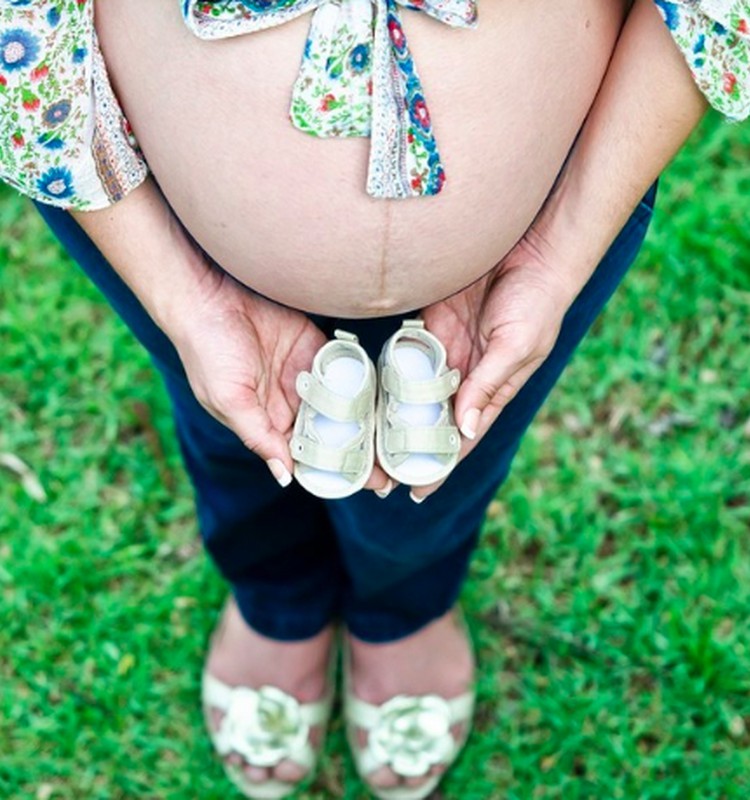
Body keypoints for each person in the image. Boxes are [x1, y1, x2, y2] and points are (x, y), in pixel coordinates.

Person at [1, 0, 747, 797]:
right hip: (148, 206)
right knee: (229, 428)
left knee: (450, 461)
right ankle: (275, 597)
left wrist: (559, 250)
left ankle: (404, 612)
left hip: (552, 212)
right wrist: (185, 298)